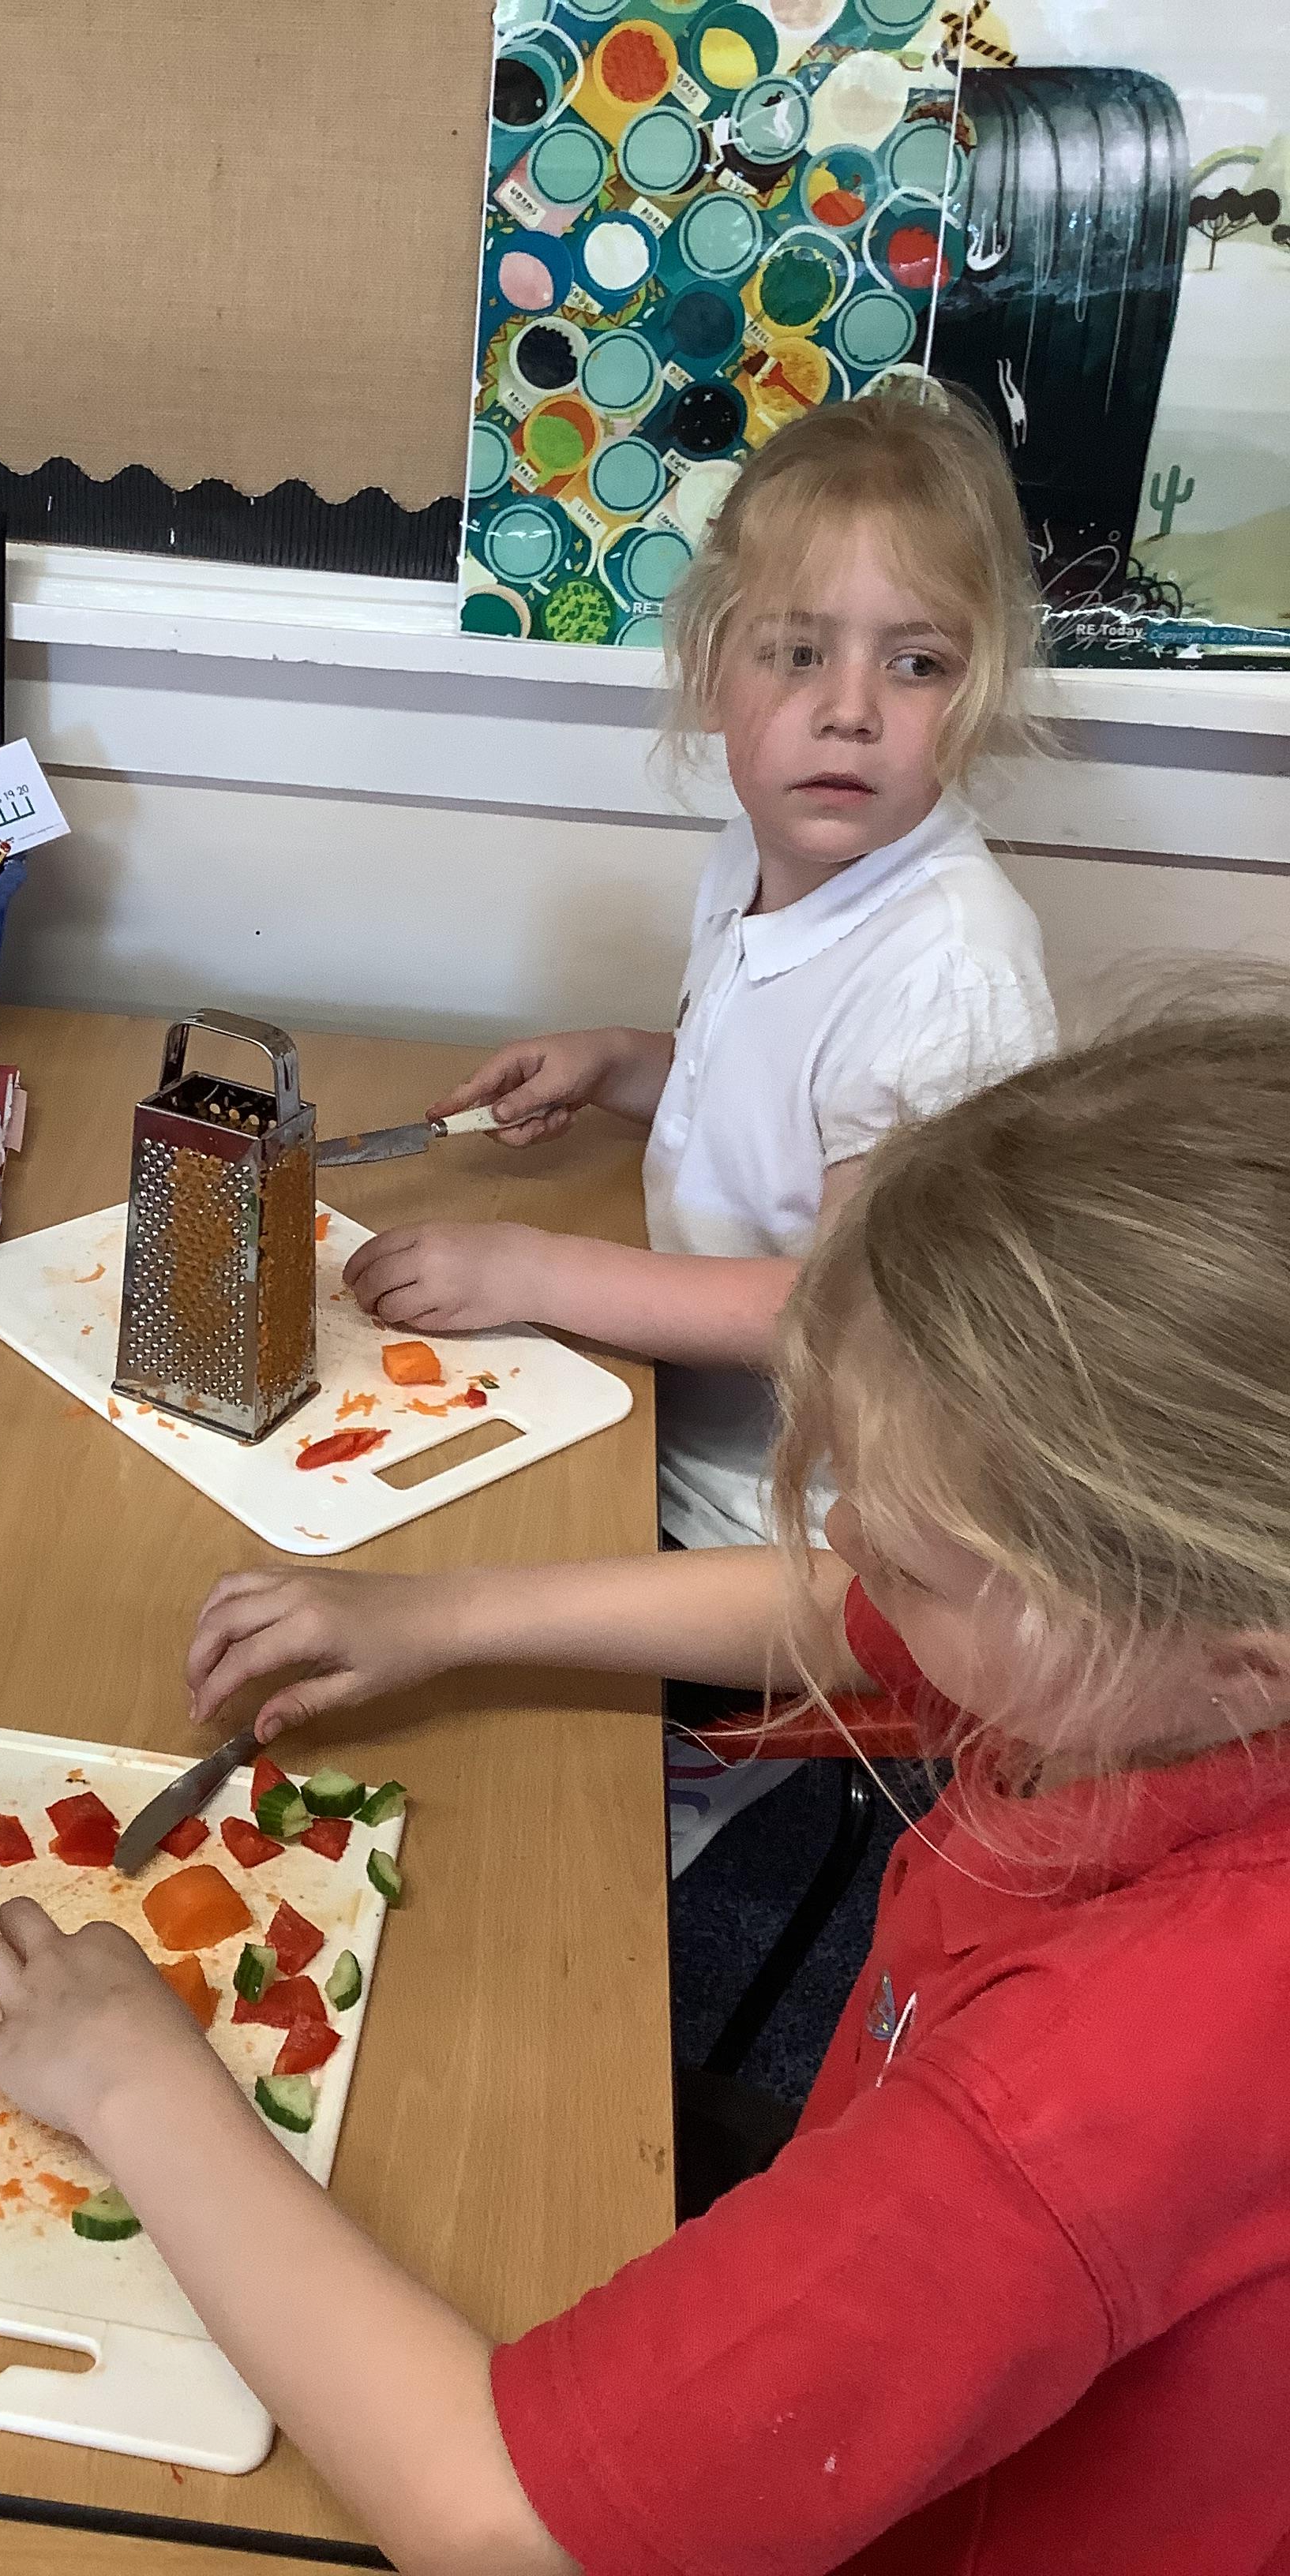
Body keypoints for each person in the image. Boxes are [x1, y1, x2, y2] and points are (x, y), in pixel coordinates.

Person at [0, 993, 1290, 2574]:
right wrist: (442, 1616)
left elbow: (506, 2525)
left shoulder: (1086, 2095)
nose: (848, 1548)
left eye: (914, 1561)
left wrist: (132, 2082)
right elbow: (831, 1612)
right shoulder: (1161, 1676)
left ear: (1231, 1657)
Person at [358, 380, 1061, 1864]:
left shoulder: (952, 967)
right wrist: (627, 1064)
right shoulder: (766, 850)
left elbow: (846, 1313)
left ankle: (666, 1821)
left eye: (916, 663)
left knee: (464, 1758)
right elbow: (781, 1086)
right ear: (714, 670)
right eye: (799, 652)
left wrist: (534, 1270)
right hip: (676, 1417)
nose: (850, 708)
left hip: (800, 1534)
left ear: (980, 688)